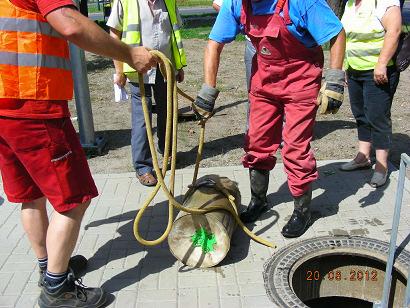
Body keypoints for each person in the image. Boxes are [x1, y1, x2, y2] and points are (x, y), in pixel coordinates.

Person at [0, 0, 156, 307]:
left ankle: (49, 269)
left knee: (31, 194)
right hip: (34, 107)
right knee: (75, 198)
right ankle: (58, 290)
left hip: (5, 106)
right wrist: (128, 54)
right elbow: (70, 24)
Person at [192, 0, 346, 238]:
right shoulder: (237, 3)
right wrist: (207, 91)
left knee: (295, 148)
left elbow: (336, 33)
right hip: (264, 83)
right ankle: (258, 201)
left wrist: (335, 79)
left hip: (301, 82)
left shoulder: (302, 2)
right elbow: (214, 43)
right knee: (256, 142)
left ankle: (302, 211)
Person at [107, 0, 186, 187]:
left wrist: (179, 66)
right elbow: (114, 35)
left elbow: (174, 33)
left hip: (165, 69)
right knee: (142, 120)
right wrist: (119, 70)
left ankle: (166, 153)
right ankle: (143, 167)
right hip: (138, 73)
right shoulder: (124, 1)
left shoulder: (168, 1)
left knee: (167, 114)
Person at [339, 0, 402, 188]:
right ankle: (363, 156)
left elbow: (394, 31)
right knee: (360, 114)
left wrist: (381, 63)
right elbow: (346, 38)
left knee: (377, 117)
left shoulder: (384, 2)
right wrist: (344, 67)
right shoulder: (350, 4)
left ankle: (381, 167)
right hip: (355, 69)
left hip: (378, 72)